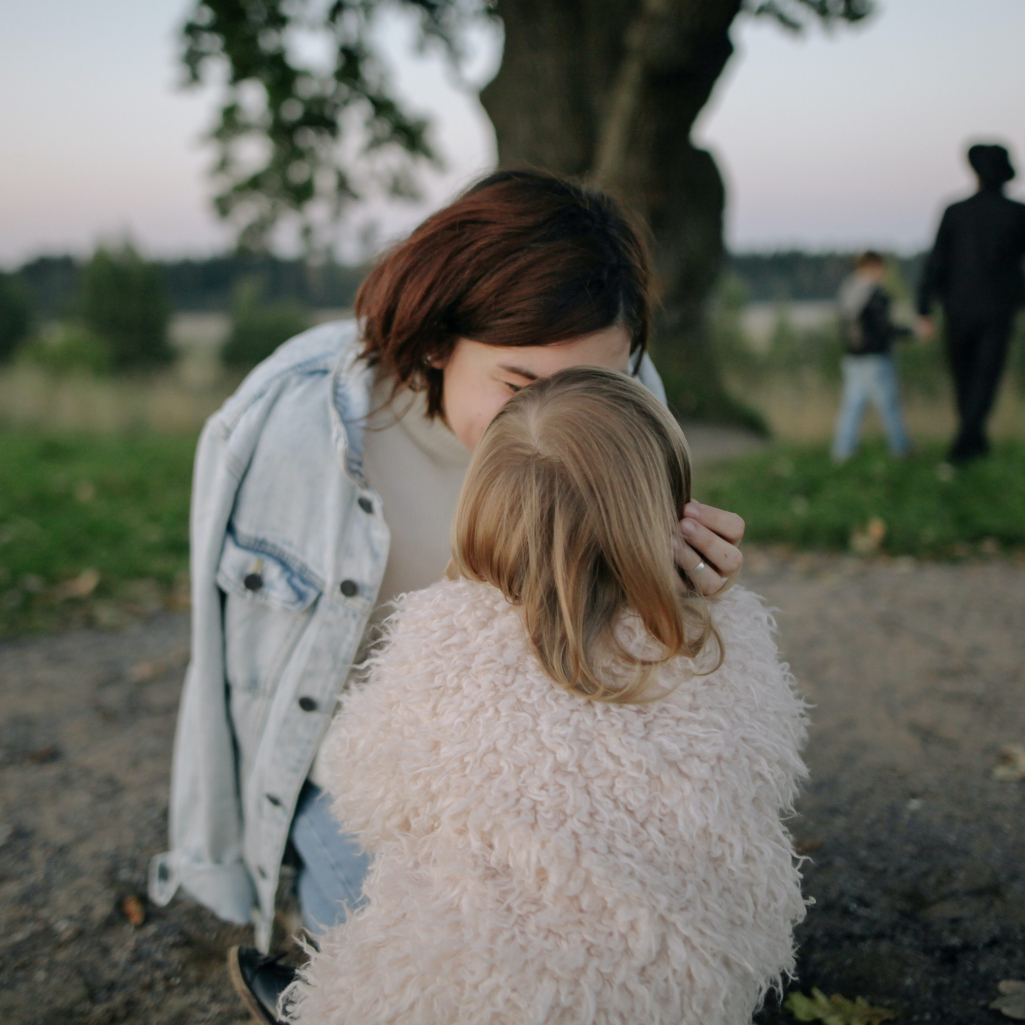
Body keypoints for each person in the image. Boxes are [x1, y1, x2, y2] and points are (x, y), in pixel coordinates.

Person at [146, 170, 749, 1019]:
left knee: (624, 949)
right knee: (426, 953)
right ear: (435, 342)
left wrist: (687, 591)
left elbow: (640, 660)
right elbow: (230, 671)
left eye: (598, 386)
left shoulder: (634, 405)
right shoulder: (293, 426)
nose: (565, 421)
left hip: (555, 760)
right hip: (368, 768)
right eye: (518, 384)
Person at [282, 366, 808, 1025]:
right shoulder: (718, 636)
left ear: (484, 504)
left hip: (469, 997)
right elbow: (765, 777)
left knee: (322, 820)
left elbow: (369, 796)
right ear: (668, 509)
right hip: (678, 990)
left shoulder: (445, 629)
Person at [917, 143, 1025, 463]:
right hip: (998, 310)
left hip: (958, 308)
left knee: (964, 377)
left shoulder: (955, 211)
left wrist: (924, 308)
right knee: (985, 377)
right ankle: (972, 442)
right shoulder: (1018, 214)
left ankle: (964, 446)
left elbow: (936, 262)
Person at [832, 250, 913, 462]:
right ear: (872, 267)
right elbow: (883, 329)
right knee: (889, 405)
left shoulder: (848, 291)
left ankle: (843, 452)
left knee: (852, 407)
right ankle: (901, 449)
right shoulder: (874, 294)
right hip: (876, 358)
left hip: (853, 358)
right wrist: (910, 332)